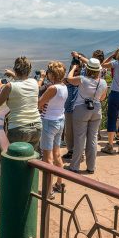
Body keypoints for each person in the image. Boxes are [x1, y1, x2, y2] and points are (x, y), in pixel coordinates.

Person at [64, 58, 107, 174]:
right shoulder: (103, 82)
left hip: (81, 109)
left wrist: (73, 68)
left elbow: (69, 79)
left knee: (79, 138)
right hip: (96, 109)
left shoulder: (82, 79)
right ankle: (91, 167)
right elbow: (102, 98)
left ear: (87, 69)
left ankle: (75, 166)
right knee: (93, 139)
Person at [0, 56, 42, 151]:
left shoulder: (9, 86)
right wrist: (12, 74)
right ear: (29, 70)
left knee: (13, 159)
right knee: (31, 159)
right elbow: (22, 81)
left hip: (18, 128)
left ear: (15, 69)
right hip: (36, 127)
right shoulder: (34, 83)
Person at [38, 61, 68, 198]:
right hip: (60, 121)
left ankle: (48, 191)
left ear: (52, 74)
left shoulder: (52, 89)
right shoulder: (64, 87)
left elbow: (39, 103)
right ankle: (60, 184)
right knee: (57, 154)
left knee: (47, 158)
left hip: (49, 123)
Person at [62, 54, 84, 160]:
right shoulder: (69, 78)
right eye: (73, 65)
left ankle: (79, 152)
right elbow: (66, 80)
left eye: (77, 66)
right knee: (69, 132)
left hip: (79, 108)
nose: (75, 68)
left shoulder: (83, 78)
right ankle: (71, 150)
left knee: (79, 132)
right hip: (69, 108)